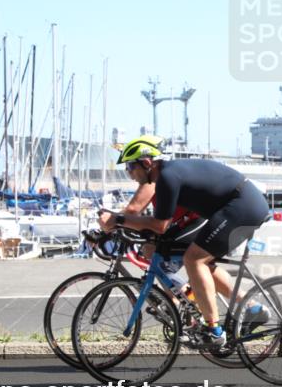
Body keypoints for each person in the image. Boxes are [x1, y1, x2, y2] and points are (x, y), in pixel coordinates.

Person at [99, 135, 270, 349]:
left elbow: (159, 225)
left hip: (241, 206)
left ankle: (213, 330)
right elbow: (160, 224)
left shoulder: (167, 177)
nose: (129, 173)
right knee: (195, 259)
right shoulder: (165, 175)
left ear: (147, 163)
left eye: (131, 166)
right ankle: (249, 309)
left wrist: (117, 220)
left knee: (194, 260)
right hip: (235, 206)